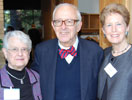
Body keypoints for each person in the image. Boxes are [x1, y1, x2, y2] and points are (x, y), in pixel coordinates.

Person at [31, 3, 104, 100]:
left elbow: (104, 89)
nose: (63, 27)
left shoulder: (95, 52)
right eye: (58, 21)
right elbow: (32, 83)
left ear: (79, 26)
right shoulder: (42, 51)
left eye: (69, 21)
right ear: (53, 25)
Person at [98, 3, 132, 100]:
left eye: (118, 24)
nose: (114, 30)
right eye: (109, 25)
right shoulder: (102, 55)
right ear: (103, 30)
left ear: (127, 27)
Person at [0, 30, 42, 100]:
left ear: (29, 52)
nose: (20, 54)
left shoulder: (37, 78)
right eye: (14, 49)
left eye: (24, 49)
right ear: (5, 52)